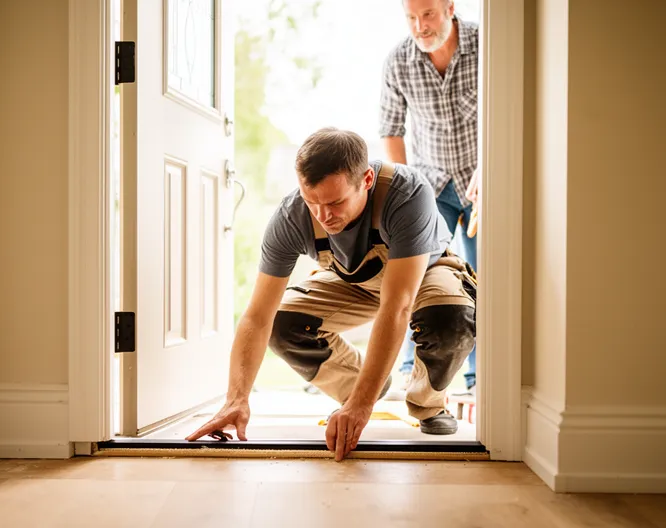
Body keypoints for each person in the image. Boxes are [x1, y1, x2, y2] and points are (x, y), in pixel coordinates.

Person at [186, 128, 477, 460]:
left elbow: (397, 306)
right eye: (312, 202)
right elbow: (257, 316)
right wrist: (236, 399)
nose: (323, 216)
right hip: (352, 281)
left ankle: (427, 404)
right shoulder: (291, 215)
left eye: (336, 202)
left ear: (366, 179)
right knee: (282, 322)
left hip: (423, 276)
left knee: (451, 317)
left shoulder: (406, 193)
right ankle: (359, 386)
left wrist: (361, 409)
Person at [381, 0, 481, 394]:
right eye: (411, 17)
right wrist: (408, 190)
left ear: (450, 8)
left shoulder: (486, 45)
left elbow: (511, 108)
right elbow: (391, 129)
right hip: (431, 182)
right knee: (415, 275)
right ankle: (410, 370)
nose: (419, 27)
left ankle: (477, 378)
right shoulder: (398, 61)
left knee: (480, 277)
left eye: (428, 15)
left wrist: (493, 170)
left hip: (483, 178)